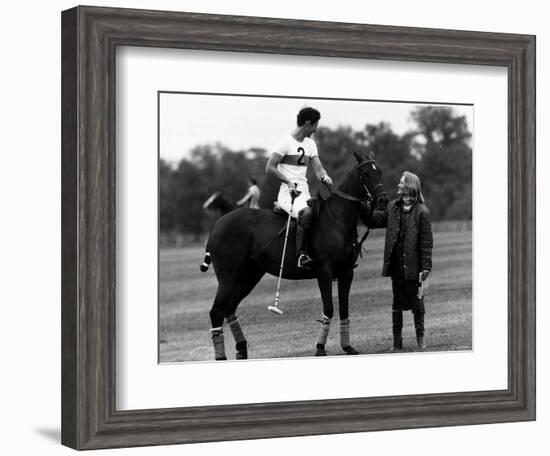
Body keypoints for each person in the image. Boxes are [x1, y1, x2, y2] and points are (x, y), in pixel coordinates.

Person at [370, 171, 433, 350]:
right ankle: (397, 343)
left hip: (415, 267)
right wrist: (364, 208)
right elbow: (376, 220)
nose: (398, 186)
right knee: (396, 303)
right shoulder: (392, 207)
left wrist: (426, 268)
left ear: (409, 187)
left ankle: (421, 340)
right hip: (396, 266)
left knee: (417, 304)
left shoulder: (422, 211)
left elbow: (426, 243)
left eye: (401, 183)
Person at [265, 107, 333, 268]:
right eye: (315, 125)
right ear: (308, 123)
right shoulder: (285, 143)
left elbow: (318, 169)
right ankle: (300, 256)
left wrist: (325, 176)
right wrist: (288, 182)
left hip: (304, 193)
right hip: (288, 194)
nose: (316, 129)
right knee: (308, 213)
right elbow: (269, 168)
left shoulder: (310, 145)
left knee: (324, 213)